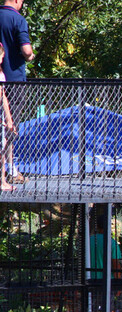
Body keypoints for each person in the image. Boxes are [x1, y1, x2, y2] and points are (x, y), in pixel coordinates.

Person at [0, 0, 33, 185]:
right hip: (13, 80)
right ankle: (7, 172)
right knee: (9, 127)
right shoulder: (17, 19)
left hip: (0, 78)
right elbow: (26, 51)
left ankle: (10, 170)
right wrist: (30, 56)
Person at [0, 43, 17, 191]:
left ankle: (2, 180)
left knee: (3, 146)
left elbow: (3, 97)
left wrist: (9, 119)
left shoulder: (1, 73)